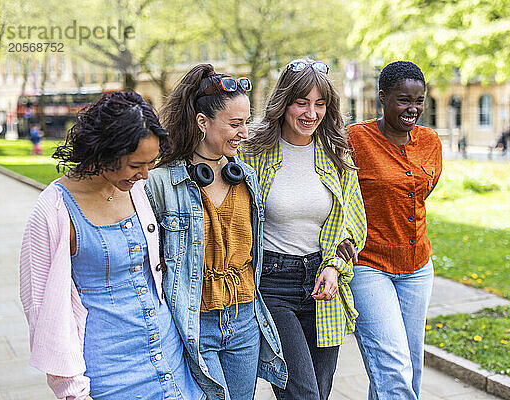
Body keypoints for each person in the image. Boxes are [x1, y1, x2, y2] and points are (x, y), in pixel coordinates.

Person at [19, 91, 205, 399]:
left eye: (151, 163)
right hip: (108, 373)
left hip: (170, 360)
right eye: (136, 164)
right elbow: (42, 309)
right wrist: (72, 390)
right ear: (103, 151)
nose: (146, 174)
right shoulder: (54, 208)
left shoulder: (138, 189)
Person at [145, 64, 286, 400]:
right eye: (235, 124)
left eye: (246, 122)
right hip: (194, 322)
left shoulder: (247, 178)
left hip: (245, 319)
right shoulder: (161, 182)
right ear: (202, 122)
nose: (245, 132)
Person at [239, 58, 367, 400]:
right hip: (272, 283)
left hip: (323, 285)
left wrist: (334, 268)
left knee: (320, 393)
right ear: (284, 102)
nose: (311, 113)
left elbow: (355, 222)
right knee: (303, 394)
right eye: (302, 102)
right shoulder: (253, 151)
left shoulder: (335, 153)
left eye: (320, 104)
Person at [347, 61, 442, 400]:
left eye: (419, 100)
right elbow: (335, 193)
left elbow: (419, 193)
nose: (412, 108)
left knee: (410, 366)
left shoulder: (430, 142)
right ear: (382, 98)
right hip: (369, 265)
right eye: (403, 100)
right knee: (393, 367)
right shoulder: (355, 139)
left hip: (418, 267)